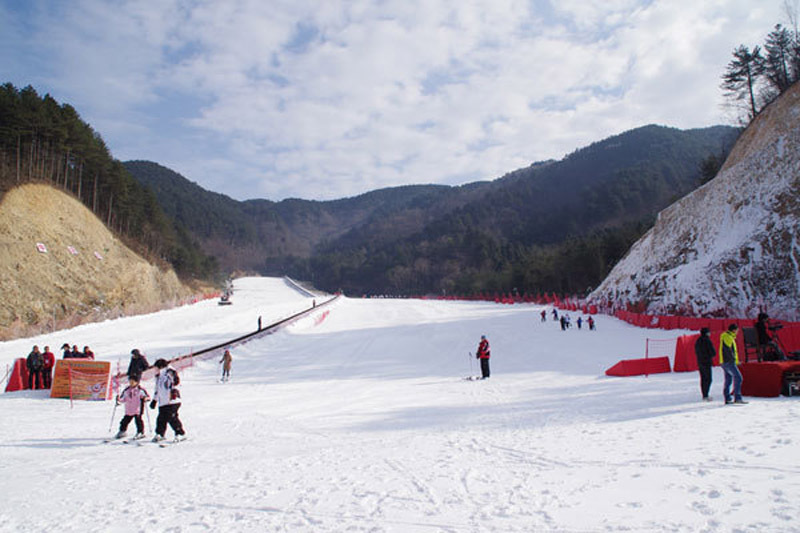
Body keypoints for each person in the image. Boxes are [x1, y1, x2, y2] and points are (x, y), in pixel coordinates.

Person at [149, 359, 186, 442]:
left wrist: (175, 378)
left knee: (171, 417)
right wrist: (154, 400)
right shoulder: (158, 377)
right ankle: (160, 434)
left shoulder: (169, 372)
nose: (155, 370)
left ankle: (180, 433)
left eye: (156, 368)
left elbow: (175, 380)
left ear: (161, 367)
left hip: (172, 400)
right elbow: (157, 389)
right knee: (161, 418)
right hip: (163, 401)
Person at [719, 324, 746, 405]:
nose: (737, 332)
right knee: (738, 377)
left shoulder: (727, 336)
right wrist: (733, 360)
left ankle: (727, 398)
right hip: (729, 362)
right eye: (737, 330)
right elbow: (728, 350)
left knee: (728, 379)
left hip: (724, 361)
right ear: (734, 330)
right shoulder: (728, 337)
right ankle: (737, 397)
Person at [694, 328, 715, 401]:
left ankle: (704, 394)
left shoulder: (698, 340)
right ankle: (706, 395)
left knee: (703, 379)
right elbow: (712, 352)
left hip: (700, 362)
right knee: (708, 379)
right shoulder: (707, 341)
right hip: (707, 362)